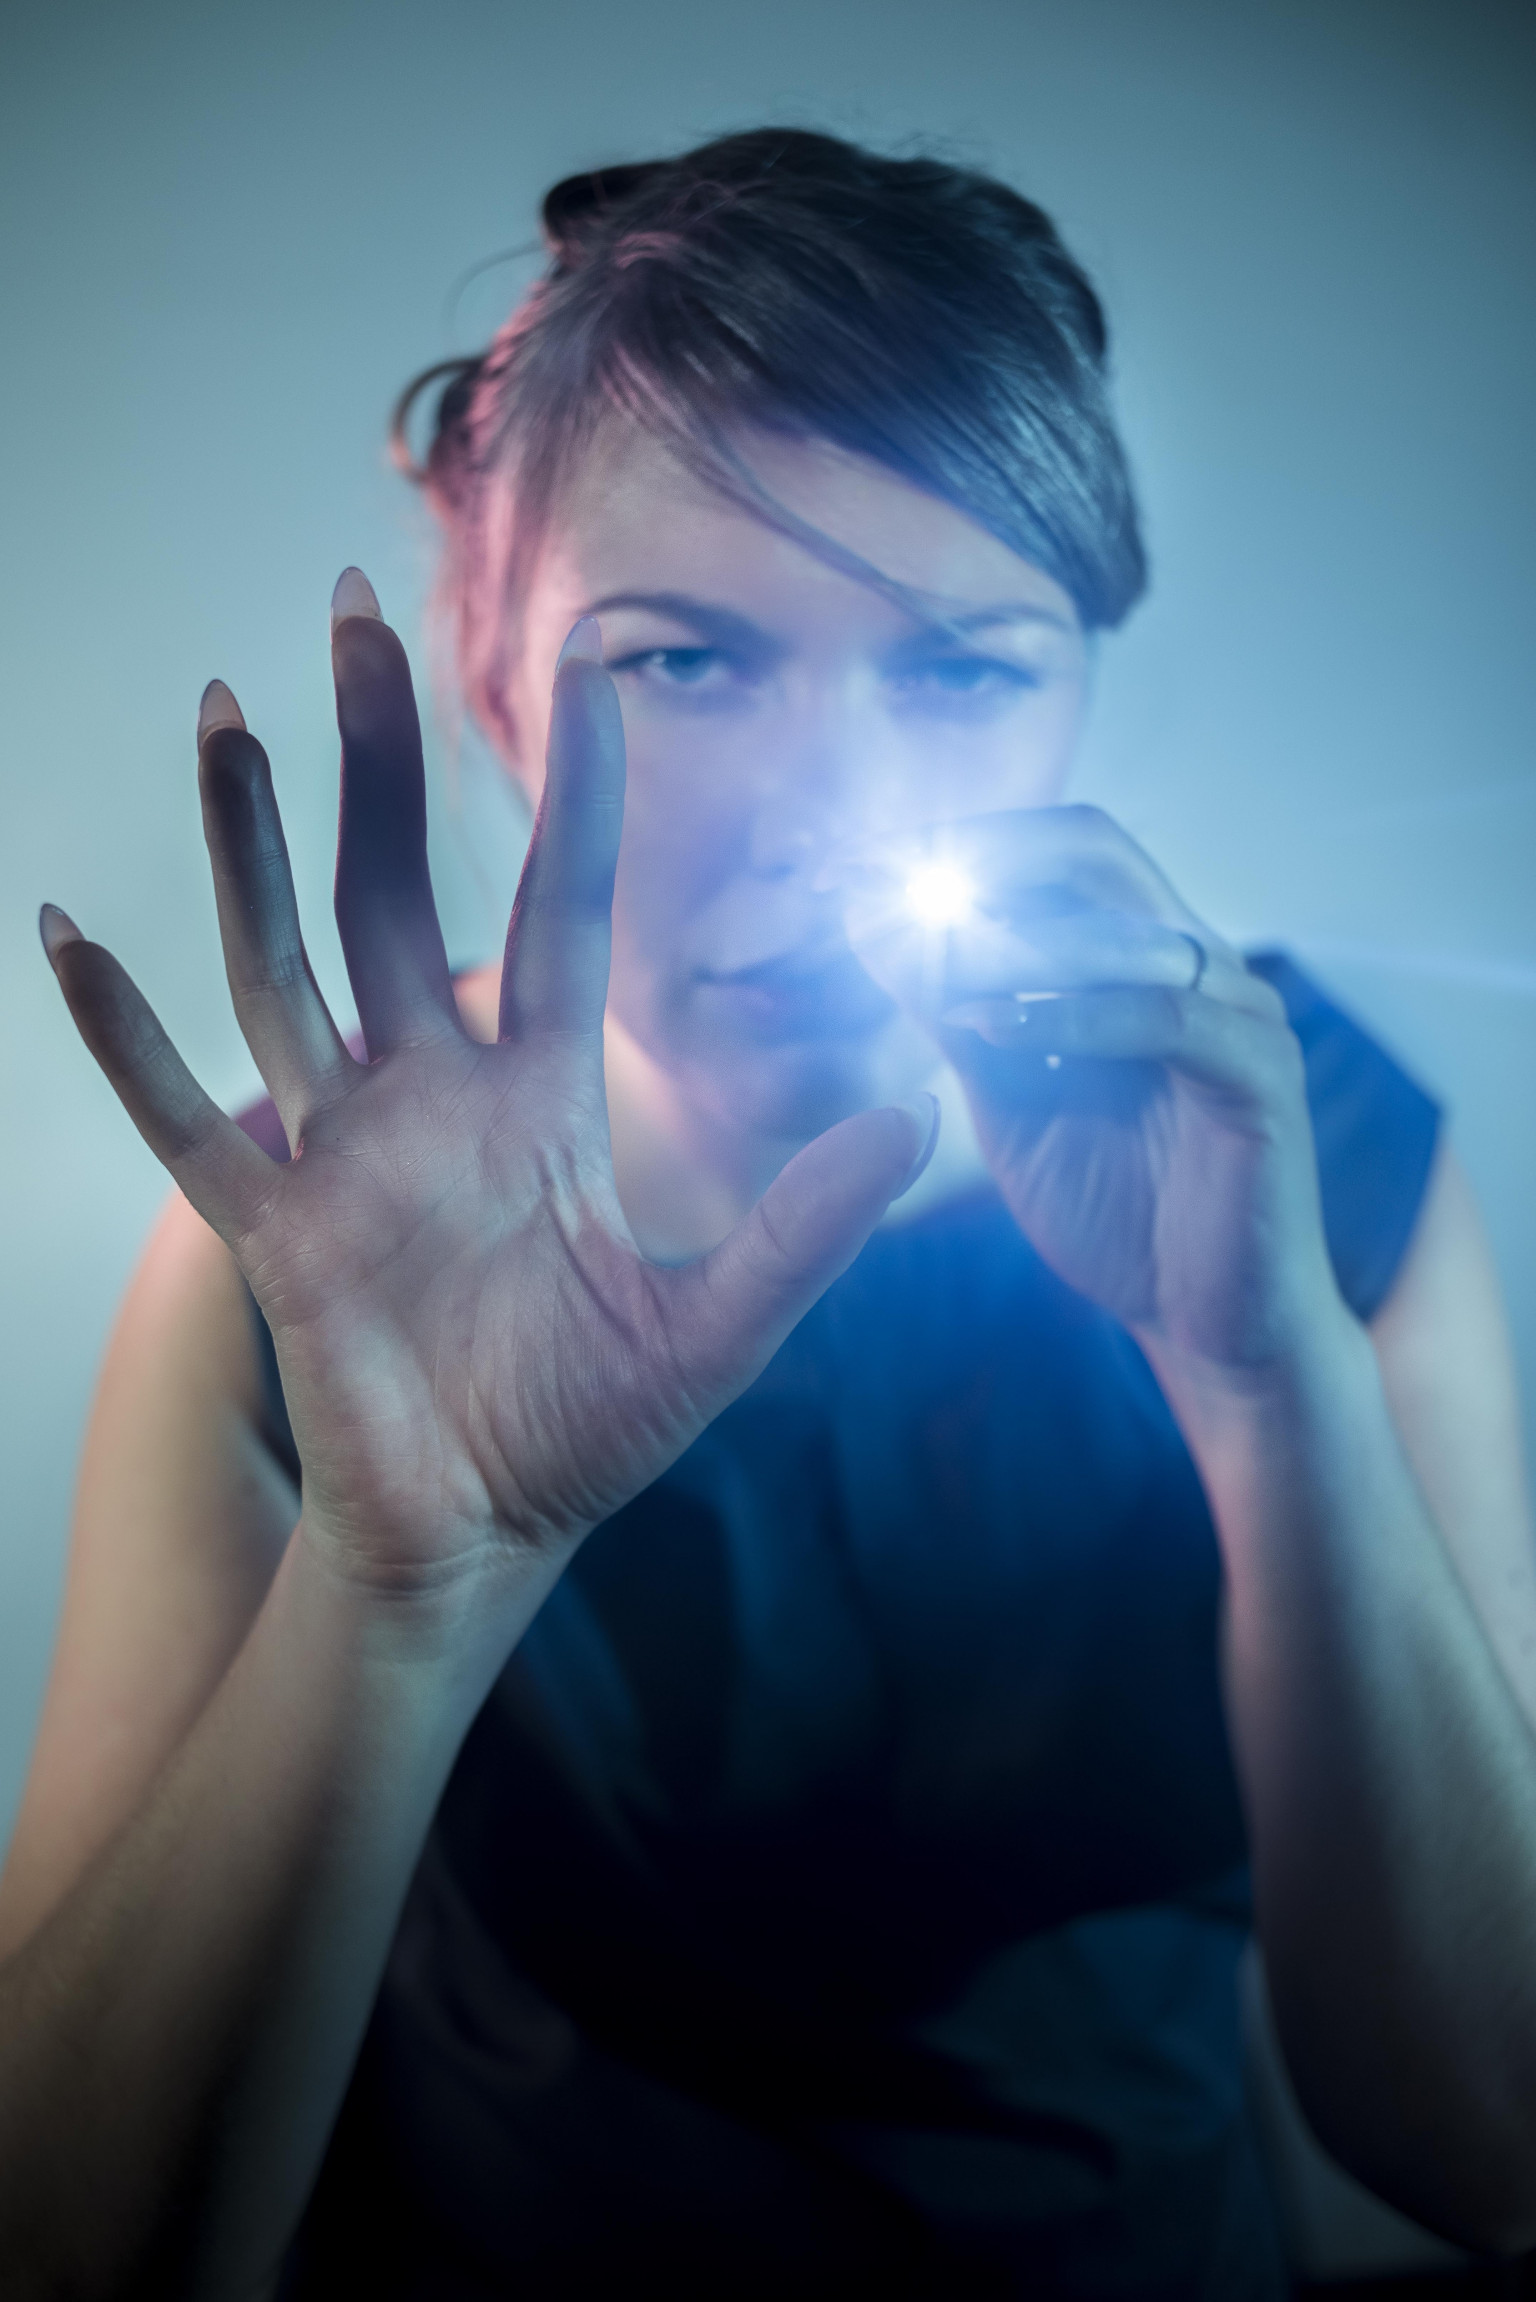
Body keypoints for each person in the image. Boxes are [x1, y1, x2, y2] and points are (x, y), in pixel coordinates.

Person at [3, 127, 1535, 2302]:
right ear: (497, 680)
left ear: (1083, 681)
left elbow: (1489, 2148)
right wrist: (399, 1584)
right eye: (685, 662)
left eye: (962, 667)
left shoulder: (1304, 1159)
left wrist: (1266, 1383)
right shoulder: (304, 1245)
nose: (832, 801)